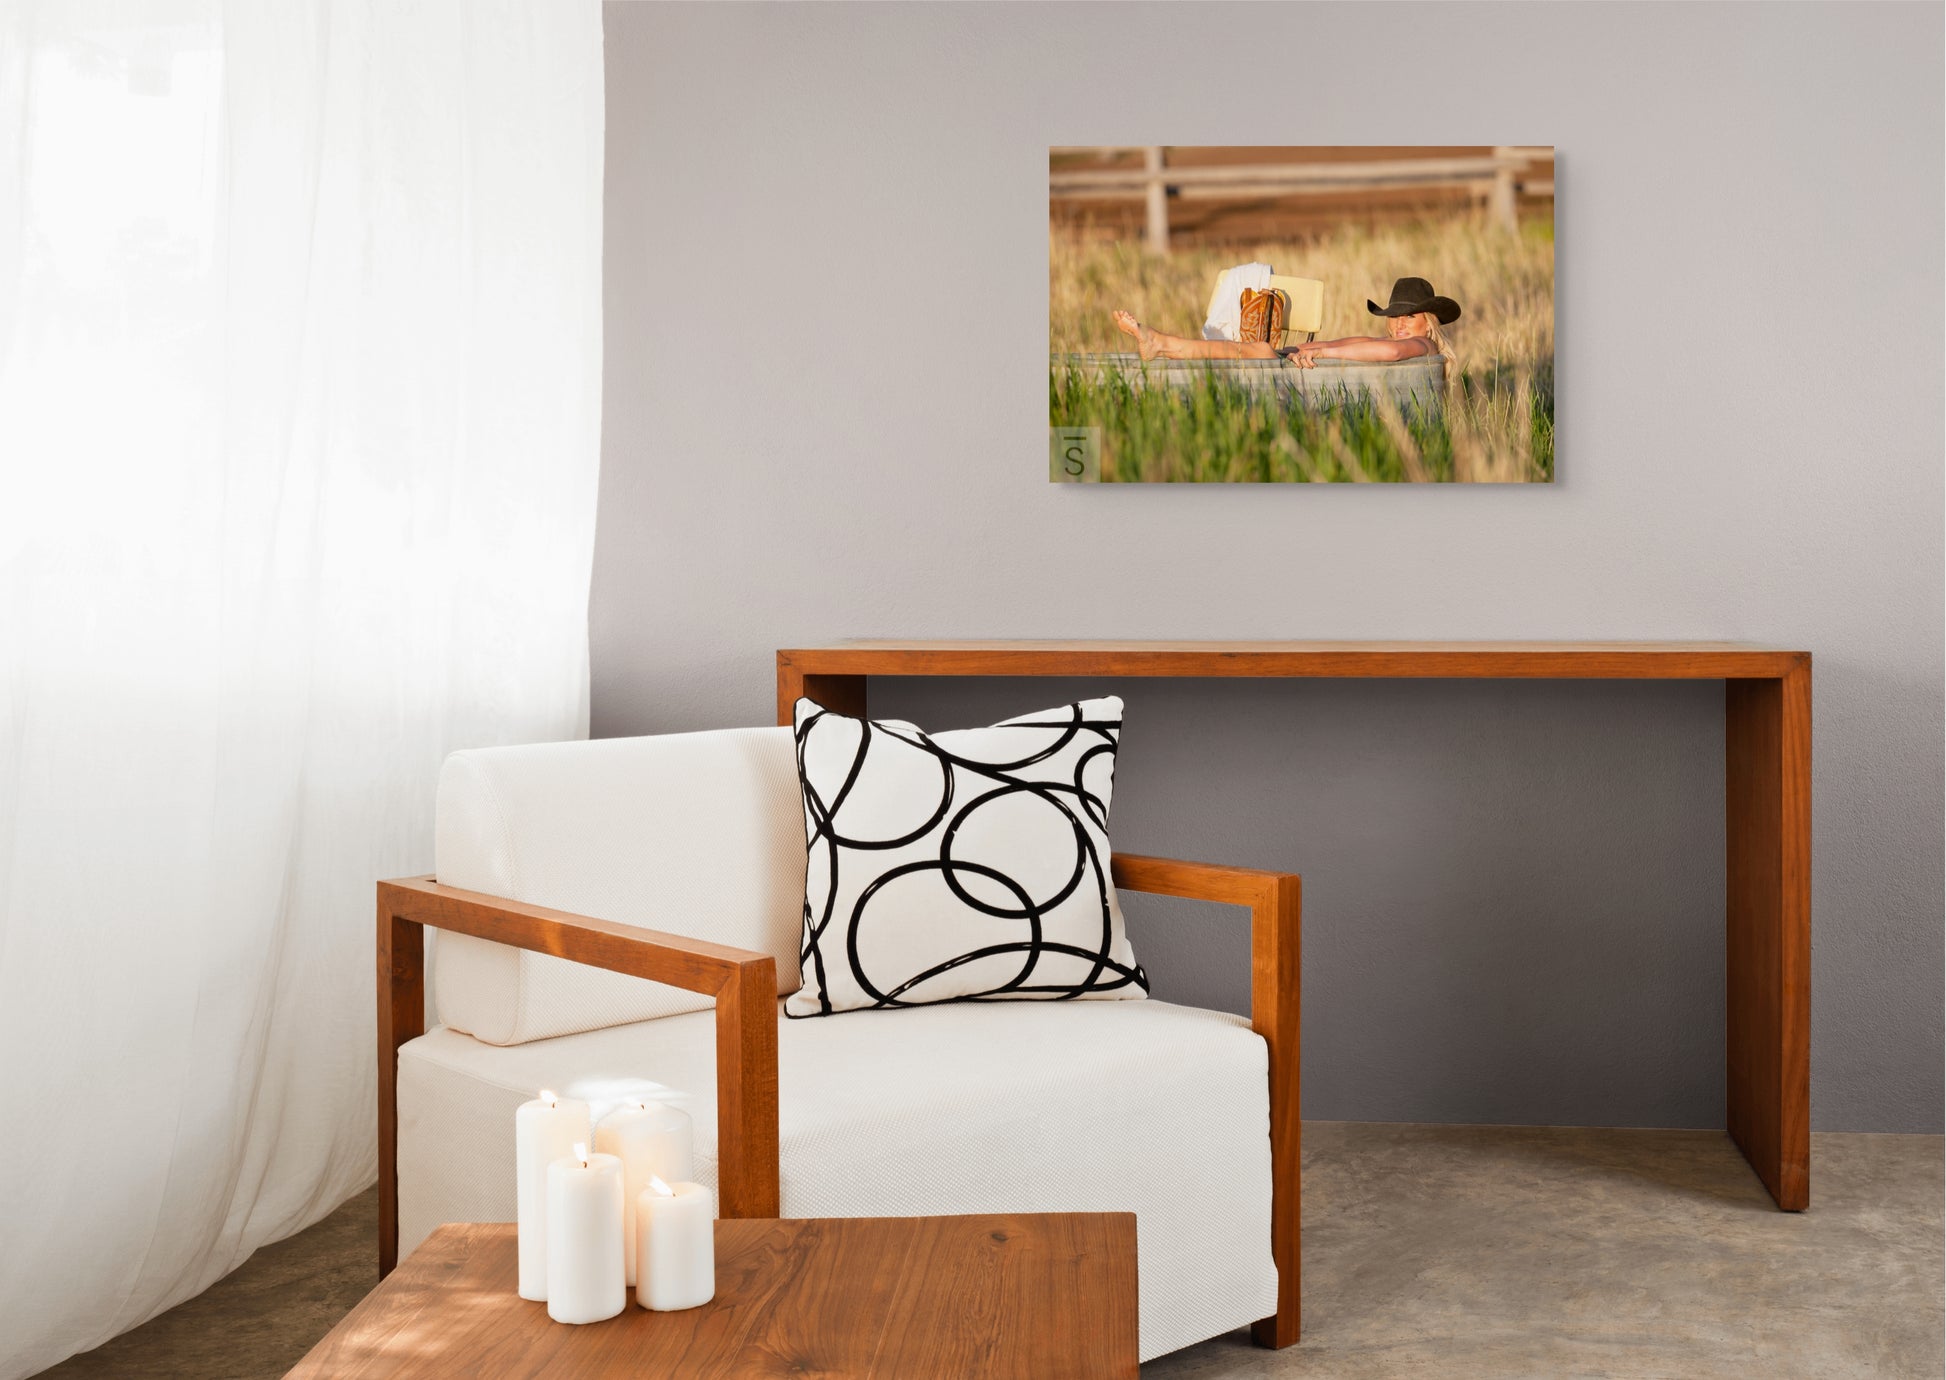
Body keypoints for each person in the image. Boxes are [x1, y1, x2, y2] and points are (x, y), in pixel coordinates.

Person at [1112, 276, 1460, 370]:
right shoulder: (1398, 340)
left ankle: (1163, 344)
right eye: (1394, 316)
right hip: (1301, 364)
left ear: (1429, 323)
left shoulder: (1423, 346)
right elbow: (1346, 342)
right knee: (1263, 350)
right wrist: (1301, 348)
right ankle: (1163, 345)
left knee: (1257, 353)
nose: (1399, 324)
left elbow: (1389, 355)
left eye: (1409, 317)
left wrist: (1324, 356)